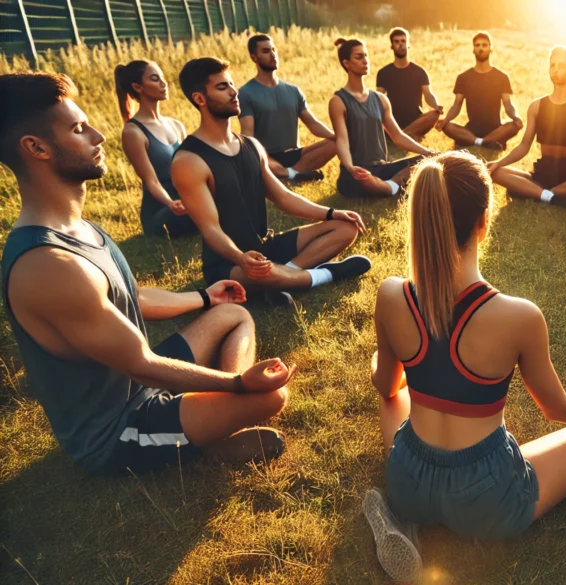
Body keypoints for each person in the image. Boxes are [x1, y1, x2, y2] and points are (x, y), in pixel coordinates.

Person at [363, 151, 566, 582]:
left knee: (396, 394)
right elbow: (555, 408)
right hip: (486, 497)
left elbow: (386, 388)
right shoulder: (519, 316)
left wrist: (393, 359)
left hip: (409, 481)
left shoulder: (390, 296)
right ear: (484, 221)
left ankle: (406, 521)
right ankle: (426, 518)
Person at [0, 72, 295, 475]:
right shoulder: (46, 265)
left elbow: (130, 298)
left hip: (145, 384)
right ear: (35, 148)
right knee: (270, 397)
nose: (99, 136)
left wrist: (207, 297)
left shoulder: (76, 228)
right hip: (120, 430)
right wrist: (240, 385)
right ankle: (214, 429)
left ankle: (210, 422)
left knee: (234, 315)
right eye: (79, 129)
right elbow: (140, 362)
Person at [171, 57, 371, 304]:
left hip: (266, 248)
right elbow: (210, 229)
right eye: (222, 88)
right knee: (261, 273)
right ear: (200, 99)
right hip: (229, 263)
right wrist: (241, 258)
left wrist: (331, 213)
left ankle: (286, 276)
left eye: (232, 85)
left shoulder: (251, 145)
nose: (234, 92)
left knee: (346, 227)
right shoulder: (189, 160)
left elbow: (283, 197)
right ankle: (326, 274)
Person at [486, 46, 566, 210]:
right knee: (494, 171)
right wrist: (498, 162)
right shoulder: (536, 106)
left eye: (561, 66)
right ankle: (552, 196)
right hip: (542, 172)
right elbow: (524, 146)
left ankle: (534, 192)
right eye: (552, 65)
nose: (555, 70)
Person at [329, 38, 435, 199]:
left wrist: (427, 152)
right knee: (365, 179)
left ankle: (389, 186)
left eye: (366, 55)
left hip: (381, 169)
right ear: (347, 63)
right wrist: (350, 167)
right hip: (356, 174)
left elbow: (397, 136)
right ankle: (394, 185)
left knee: (429, 162)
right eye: (359, 57)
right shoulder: (338, 101)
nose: (365, 60)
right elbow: (341, 140)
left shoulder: (380, 99)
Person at [115, 60, 197, 238]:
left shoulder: (176, 125)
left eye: (162, 77)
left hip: (188, 199)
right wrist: (171, 203)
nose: (163, 83)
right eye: (155, 79)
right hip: (162, 211)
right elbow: (151, 181)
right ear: (138, 87)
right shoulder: (133, 132)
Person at [238, 34, 337, 184]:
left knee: (337, 142)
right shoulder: (245, 93)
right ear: (254, 57)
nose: (272, 55)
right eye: (265, 51)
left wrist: (338, 136)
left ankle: (291, 175)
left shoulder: (293, 90)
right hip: (267, 157)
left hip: (295, 154)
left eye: (274, 50)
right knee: (254, 153)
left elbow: (313, 124)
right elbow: (248, 138)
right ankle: (293, 174)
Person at [435, 32, 523, 150]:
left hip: (495, 128)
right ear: (473, 49)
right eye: (477, 45)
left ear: (491, 49)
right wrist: (446, 120)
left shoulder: (502, 77)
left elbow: (508, 104)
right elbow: (457, 105)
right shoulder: (463, 77)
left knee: (513, 126)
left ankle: (478, 141)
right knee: (447, 127)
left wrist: (516, 117)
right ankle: (485, 142)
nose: (480, 48)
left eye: (484, 45)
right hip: (472, 129)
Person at [375, 27, 444, 141]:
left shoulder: (419, 72)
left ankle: (401, 136)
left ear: (408, 44)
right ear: (392, 46)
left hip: (415, 120)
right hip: (392, 120)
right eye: (396, 42)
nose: (400, 44)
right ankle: (405, 136)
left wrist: (436, 106)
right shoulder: (384, 72)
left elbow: (428, 95)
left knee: (434, 114)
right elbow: (379, 98)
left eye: (403, 41)